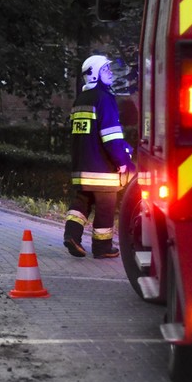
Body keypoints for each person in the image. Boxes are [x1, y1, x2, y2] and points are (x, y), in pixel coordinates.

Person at [63, 55, 135, 259]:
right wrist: (123, 160)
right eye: (106, 70)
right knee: (105, 207)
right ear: (94, 74)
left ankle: (71, 235)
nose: (110, 73)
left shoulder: (80, 100)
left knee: (82, 202)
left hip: (82, 166)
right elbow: (111, 137)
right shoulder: (104, 99)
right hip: (103, 169)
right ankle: (102, 247)